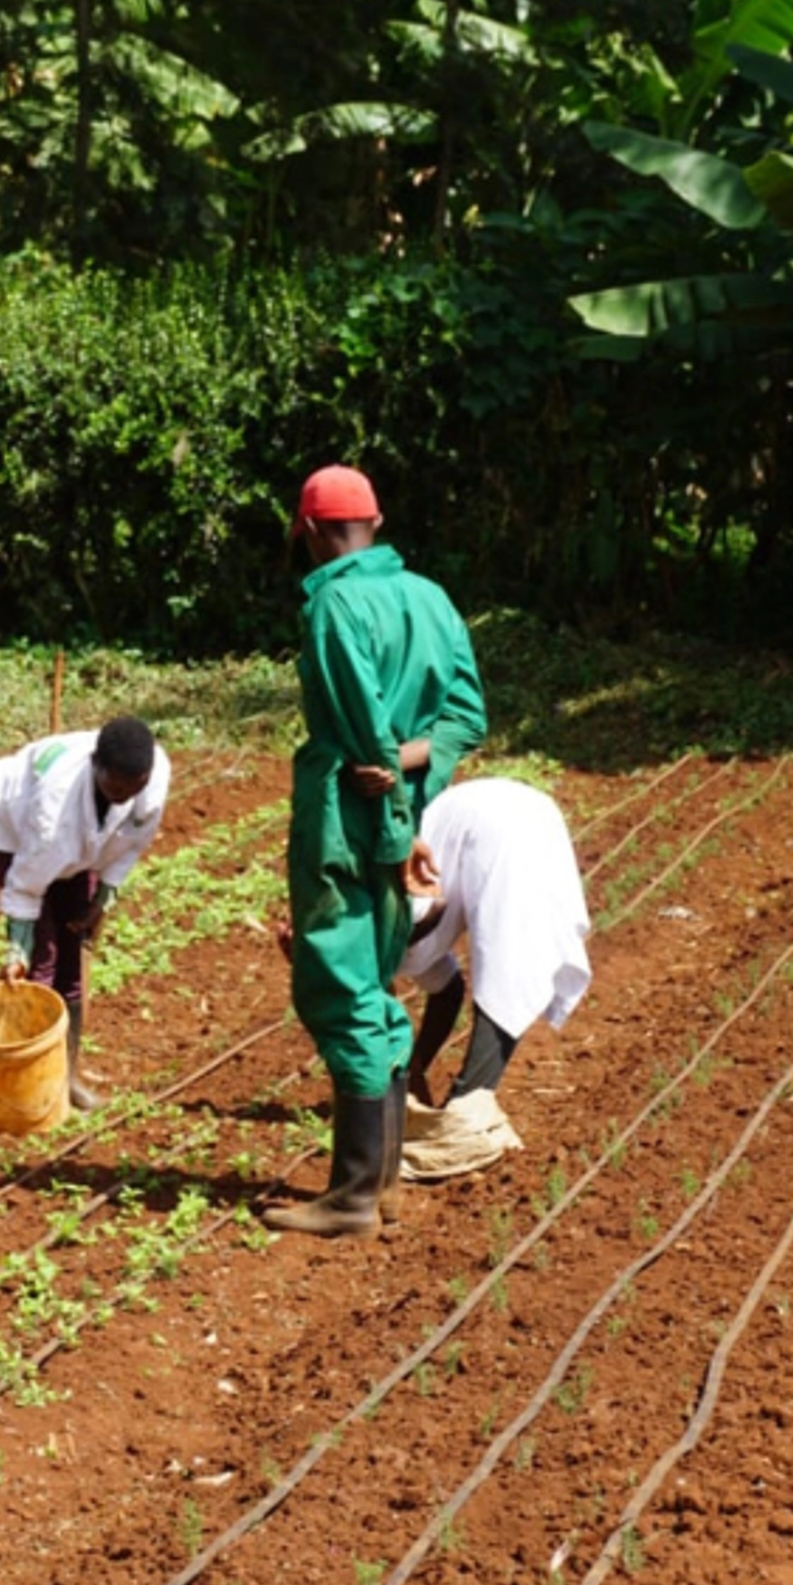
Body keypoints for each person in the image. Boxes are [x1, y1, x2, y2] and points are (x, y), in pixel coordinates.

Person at [265, 463, 486, 1239]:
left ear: (311, 531)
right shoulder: (430, 598)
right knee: (377, 982)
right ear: (376, 523)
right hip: (406, 816)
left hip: (350, 824)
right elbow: (466, 718)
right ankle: (383, 1183)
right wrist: (408, 765)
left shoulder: (333, 605)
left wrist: (391, 823)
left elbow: (362, 734)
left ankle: (353, 1195)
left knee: (339, 986)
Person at [398, 776, 592, 1179]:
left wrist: (406, 1073)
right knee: (511, 962)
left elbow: (432, 907)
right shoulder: (389, 948)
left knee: (508, 964)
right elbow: (449, 991)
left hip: (493, 826)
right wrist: (416, 1064)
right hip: (524, 808)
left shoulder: (375, 933)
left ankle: (466, 1107)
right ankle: (466, 1104)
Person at [0, 716, 169, 1110]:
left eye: (135, 787)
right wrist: (17, 949)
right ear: (94, 766)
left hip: (78, 848)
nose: (125, 796)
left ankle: (66, 1077)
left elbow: (131, 843)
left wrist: (102, 902)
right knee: (42, 960)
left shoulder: (152, 777)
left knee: (73, 950)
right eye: (116, 787)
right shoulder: (54, 810)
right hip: (15, 832)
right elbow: (26, 885)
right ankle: (32, 1086)